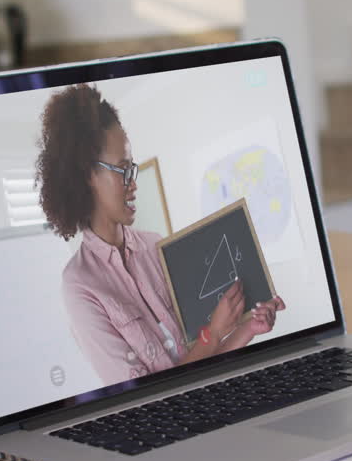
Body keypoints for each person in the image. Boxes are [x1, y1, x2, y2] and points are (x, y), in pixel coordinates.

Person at [35, 84, 286, 385]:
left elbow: (203, 359)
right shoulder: (80, 286)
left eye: (132, 169)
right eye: (122, 170)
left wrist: (248, 329)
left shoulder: (156, 246)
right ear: (88, 174)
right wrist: (213, 332)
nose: (133, 183)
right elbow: (143, 395)